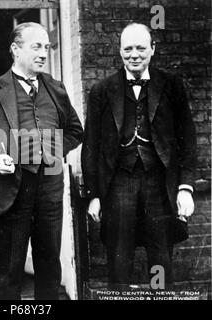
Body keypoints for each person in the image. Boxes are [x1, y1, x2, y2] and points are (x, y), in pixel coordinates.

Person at [0, 22, 83, 300]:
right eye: (36, 46)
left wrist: (51, 151)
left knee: (50, 269)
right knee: (10, 271)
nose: (43, 53)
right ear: (15, 50)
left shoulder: (55, 88)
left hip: (50, 189)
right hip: (12, 188)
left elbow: (76, 131)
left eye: (47, 47)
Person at [81, 23, 196, 290]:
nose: (134, 54)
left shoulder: (171, 84)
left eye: (141, 48)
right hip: (119, 182)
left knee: (161, 257)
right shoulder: (102, 90)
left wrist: (185, 187)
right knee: (119, 258)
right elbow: (91, 146)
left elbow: (187, 138)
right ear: (119, 52)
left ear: (152, 49)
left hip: (159, 182)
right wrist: (94, 195)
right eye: (128, 49)